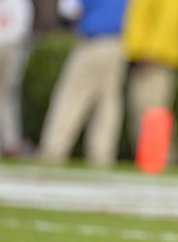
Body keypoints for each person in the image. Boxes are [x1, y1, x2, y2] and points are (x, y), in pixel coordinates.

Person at [37, 0, 128, 167]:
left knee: (71, 98)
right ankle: (102, 155)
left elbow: (69, 10)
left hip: (94, 42)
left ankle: (54, 150)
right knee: (108, 101)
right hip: (118, 44)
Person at [122, 0, 178, 165]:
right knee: (142, 111)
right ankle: (149, 160)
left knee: (154, 112)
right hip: (144, 56)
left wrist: (152, 51)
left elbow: (170, 20)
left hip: (157, 58)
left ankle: (163, 160)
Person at [0, 0, 34, 158]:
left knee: (7, 96)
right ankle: (10, 141)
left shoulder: (19, 3)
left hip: (10, 48)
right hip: (10, 47)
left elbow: (20, 31)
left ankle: (10, 142)